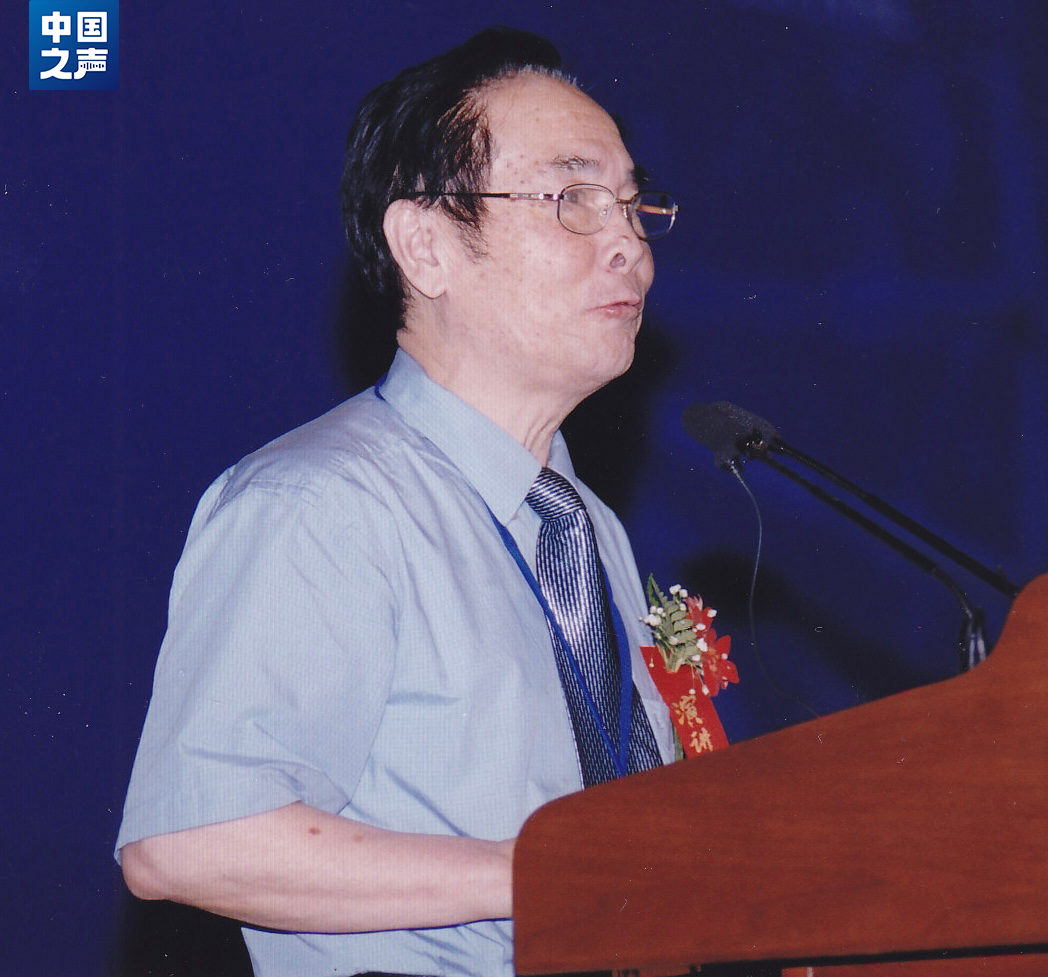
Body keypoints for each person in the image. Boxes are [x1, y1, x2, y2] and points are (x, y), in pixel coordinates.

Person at [117, 26, 679, 977]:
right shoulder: (322, 505)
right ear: (426, 246)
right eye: (573, 199)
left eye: (631, 203)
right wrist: (551, 874)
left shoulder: (586, 527)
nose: (628, 242)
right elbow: (192, 840)